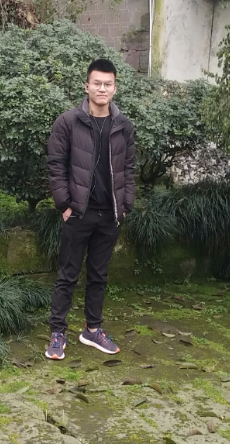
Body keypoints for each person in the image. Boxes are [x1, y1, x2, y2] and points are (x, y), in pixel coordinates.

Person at [45, 58, 135, 360]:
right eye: (97, 83)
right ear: (87, 86)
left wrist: (126, 206)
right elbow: (56, 165)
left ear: (115, 88)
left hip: (109, 215)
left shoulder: (123, 126)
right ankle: (57, 332)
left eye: (108, 84)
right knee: (67, 275)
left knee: (99, 275)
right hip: (78, 213)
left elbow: (129, 168)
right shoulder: (68, 122)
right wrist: (64, 205)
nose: (102, 88)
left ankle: (92, 329)